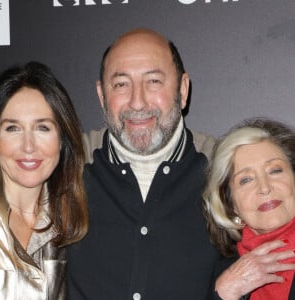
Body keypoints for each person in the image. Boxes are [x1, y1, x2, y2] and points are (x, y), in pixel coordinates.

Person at [67, 28, 220, 299]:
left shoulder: (225, 171)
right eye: (121, 84)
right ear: (102, 96)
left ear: (182, 90)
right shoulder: (65, 167)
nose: (137, 102)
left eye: (153, 82)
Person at [0, 61, 88, 299]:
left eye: (43, 128)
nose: (28, 146)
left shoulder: (72, 223)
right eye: (13, 128)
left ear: (61, 139)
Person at [203, 117, 295, 300]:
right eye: (246, 180)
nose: (264, 187)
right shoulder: (217, 275)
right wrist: (224, 295)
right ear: (231, 205)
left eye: (275, 170)